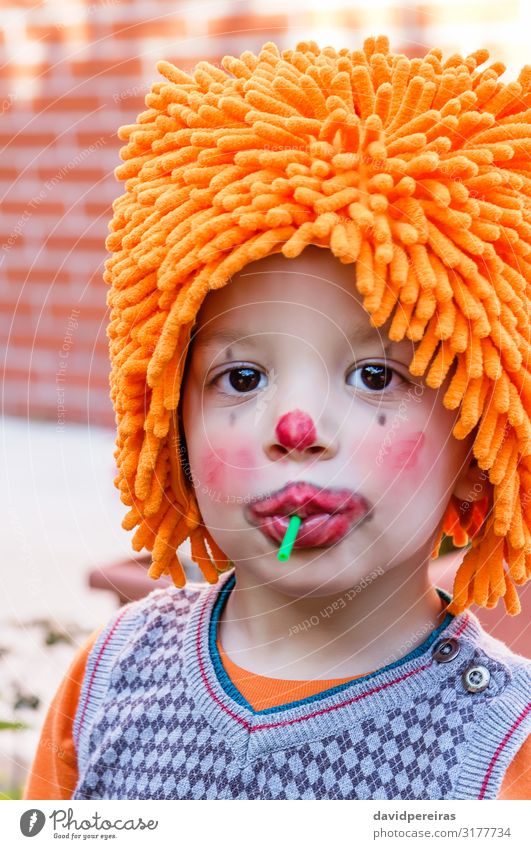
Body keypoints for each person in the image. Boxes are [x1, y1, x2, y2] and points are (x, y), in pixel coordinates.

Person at [24, 35, 531, 800]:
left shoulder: (505, 746)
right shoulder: (107, 677)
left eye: (374, 374)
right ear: (168, 421)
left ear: (478, 429)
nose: (295, 427)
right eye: (242, 375)